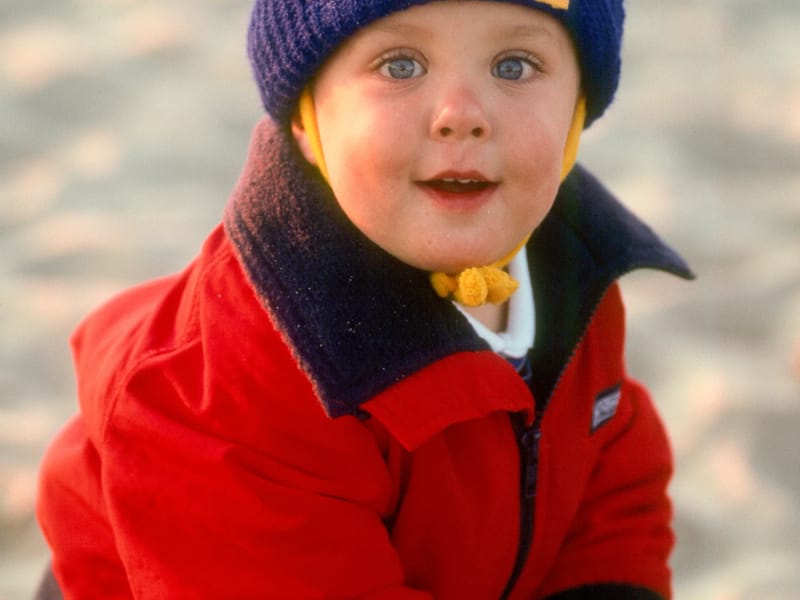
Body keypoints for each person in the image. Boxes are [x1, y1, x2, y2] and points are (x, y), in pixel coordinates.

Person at [36, 1, 694, 598]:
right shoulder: (240, 388)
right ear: (306, 119)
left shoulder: (572, 278)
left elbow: (609, 476)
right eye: (401, 64)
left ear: (577, 112)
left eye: (515, 65)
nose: (462, 114)